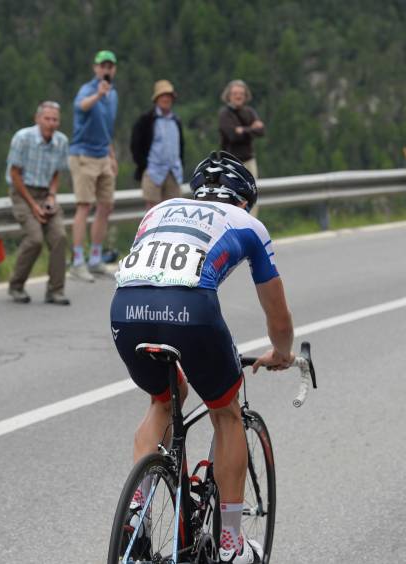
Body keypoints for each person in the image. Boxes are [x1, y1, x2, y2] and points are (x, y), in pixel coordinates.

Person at [110, 151, 294, 563]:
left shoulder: (159, 210)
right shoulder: (248, 224)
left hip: (126, 308)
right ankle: (231, 545)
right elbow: (277, 315)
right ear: (244, 200)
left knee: (165, 396)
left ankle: (135, 519)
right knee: (225, 411)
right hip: (190, 311)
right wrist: (282, 353)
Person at [5, 101, 70, 305]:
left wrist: (51, 196)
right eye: (47, 118)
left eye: (55, 119)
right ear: (37, 119)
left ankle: (55, 290)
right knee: (34, 239)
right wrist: (33, 206)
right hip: (23, 191)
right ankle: (16, 285)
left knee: (59, 236)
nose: (51, 123)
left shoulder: (61, 141)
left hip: (45, 192)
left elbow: (57, 172)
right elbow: (14, 173)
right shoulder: (23, 138)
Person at [68, 50, 119, 282]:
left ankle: (95, 257)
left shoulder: (113, 95)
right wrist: (98, 95)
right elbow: (82, 107)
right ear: (95, 68)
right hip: (83, 154)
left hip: (102, 155)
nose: (106, 70)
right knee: (84, 206)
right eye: (103, 66)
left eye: (110, 66)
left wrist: (112, 155)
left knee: (106, 206)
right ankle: (77, 260)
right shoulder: (88, 90)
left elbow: (107, 128)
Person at [130, 80, 185, 209]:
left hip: (173, 172)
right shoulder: (146, 119)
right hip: (153, 171)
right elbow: (136, 144)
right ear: (157, 99)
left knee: (173, 209)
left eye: (169, 96)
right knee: (153, 210)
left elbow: (181, 146)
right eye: (163, 96)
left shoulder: (176, 120)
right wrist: (144, 165)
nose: (166, 99)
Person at [218, 80, 264, 180]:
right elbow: (233, 136)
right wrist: (252, 129)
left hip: (249, 160)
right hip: (231, 163)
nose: (238, 96)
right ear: (228, 96)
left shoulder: (249, 111)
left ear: (246, 96)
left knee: (251, 193)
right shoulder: (224, 114)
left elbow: (261, 131)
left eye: (241, 94)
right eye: (235, 94)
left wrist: (242, 130)